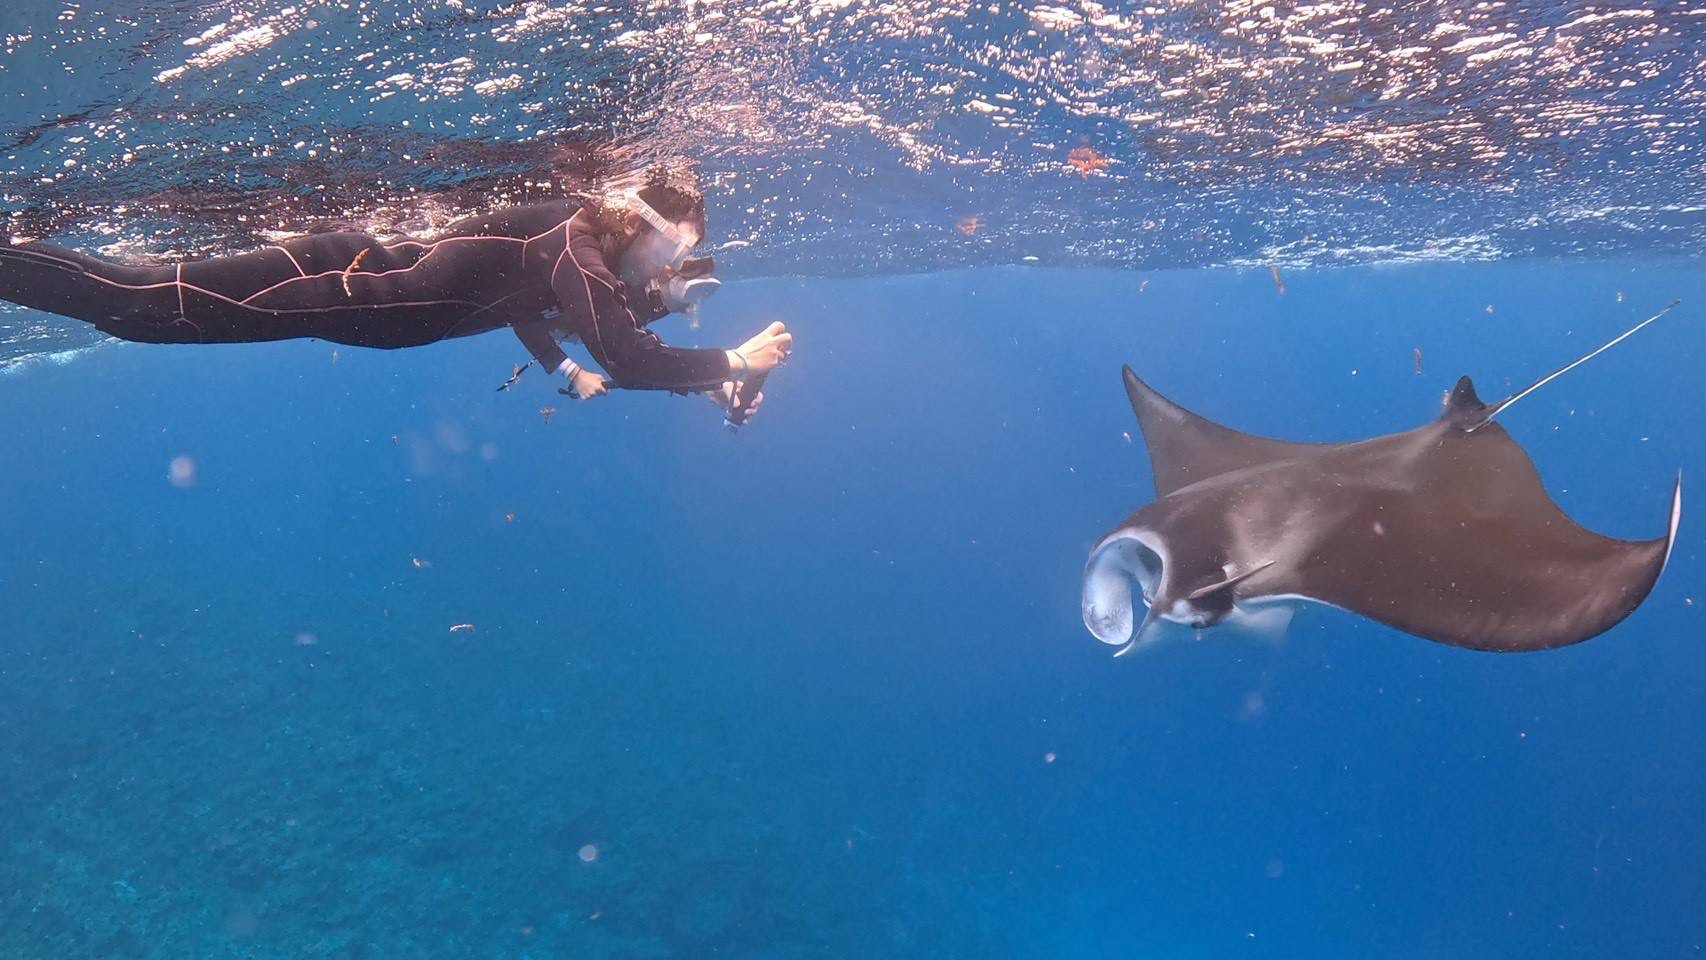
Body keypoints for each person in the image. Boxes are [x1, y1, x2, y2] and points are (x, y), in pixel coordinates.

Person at [0, 166, 791, 419]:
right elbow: (627, 355)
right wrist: (732, 360)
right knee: (143, 307)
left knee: (147, 309)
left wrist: (704, 376)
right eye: (672, 249)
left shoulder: (576, 258)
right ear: (639, 222)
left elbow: (564, 320)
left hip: (354, 296)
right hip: (342, 283)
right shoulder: (574, 245)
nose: (667, 267)